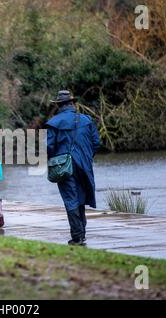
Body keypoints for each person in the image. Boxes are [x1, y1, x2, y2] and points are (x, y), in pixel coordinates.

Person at [46, 90, 101, 245]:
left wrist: (54, 161)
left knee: (71, 199)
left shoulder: (54, 123)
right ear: (72, 103)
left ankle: (77, 236)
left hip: (64, 166)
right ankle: (81, 234)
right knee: (81, 198)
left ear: (59, 105)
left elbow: (50, 147)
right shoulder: (87, 120)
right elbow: (96, 143)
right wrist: (86, 157)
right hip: (85, 164)